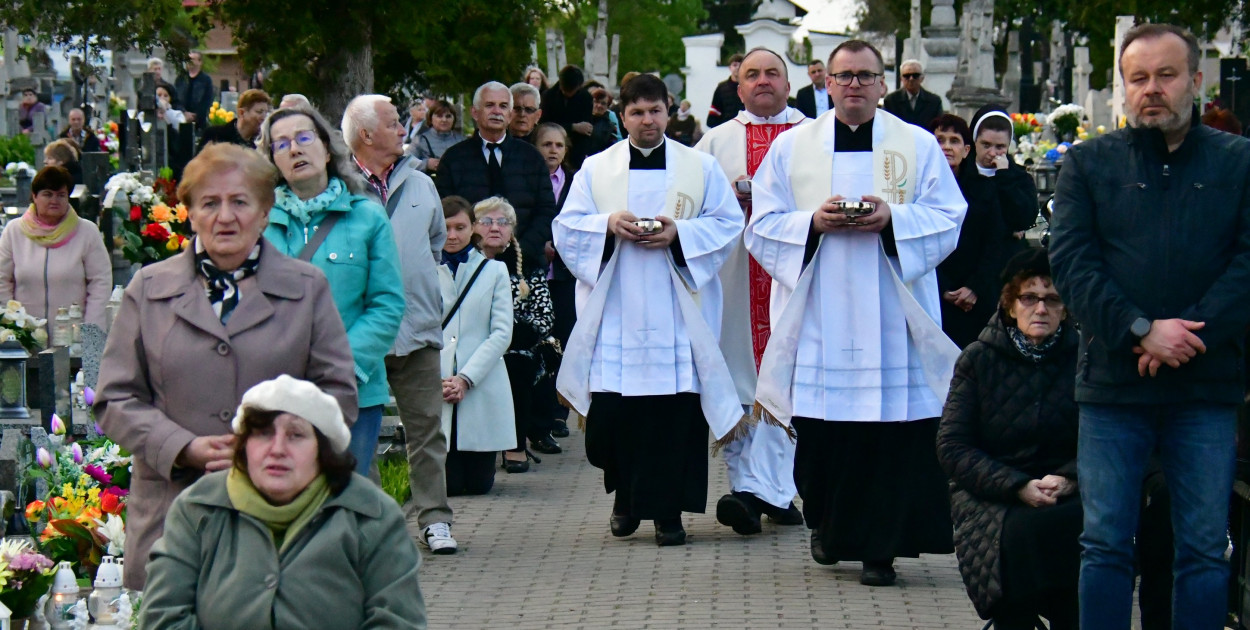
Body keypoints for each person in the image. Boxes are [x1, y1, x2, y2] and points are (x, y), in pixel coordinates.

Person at [1048, 23, 1250, 629]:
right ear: (1123, 87)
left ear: (1195, 80)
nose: (1152, 90)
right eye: (1139, 78)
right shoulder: (1087, 164)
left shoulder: (1239, 162)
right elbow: (1074, 265)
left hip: (1205, 387)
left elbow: (1247, 261)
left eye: (1166, 75)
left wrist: (1190, 337)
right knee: (1106, 545)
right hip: (1114, 387)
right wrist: (1140, 330)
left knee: (1203, 550)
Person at [745, 40, 966, 586]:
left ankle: (879, 550)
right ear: (827, 84)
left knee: (889, 439)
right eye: (843, 77)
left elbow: (948, 217)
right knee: (822, 432)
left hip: (893, 317)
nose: (854, 86)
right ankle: (825, 522)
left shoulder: (916, 145)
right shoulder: (794, 148)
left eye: (865, 77)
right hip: (821, 312)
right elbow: (762, 225)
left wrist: (893, 219)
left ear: (883, 83)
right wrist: (811, 223)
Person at [93, 143, 358, 589]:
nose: (225, 216)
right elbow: (114, 398)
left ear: (264, 212)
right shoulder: (149, 288)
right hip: (172, 513)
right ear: (190, 214)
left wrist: (274, 448)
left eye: (240, 202)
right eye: (210, 203)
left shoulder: (306, 287)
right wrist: (181, 446)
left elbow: (337, 394)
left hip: (279, 515)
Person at [554, 73, 744, 547]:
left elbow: (726, 223)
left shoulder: (699, 167)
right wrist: (608, 224)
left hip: (679, 307)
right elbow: (568, 227)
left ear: (670, 110)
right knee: (615, 417)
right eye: (637, 112)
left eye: (655, 110)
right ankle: (625, 498)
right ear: (623, 116)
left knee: (674, 416)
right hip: (617, 307)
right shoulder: (597, 168)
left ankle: (668, 514)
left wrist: (678, 234)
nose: (647, 120)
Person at [140, 375, 426, 629]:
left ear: (322, 451)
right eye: (263, 434)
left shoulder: (371, 515)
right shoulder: (197, 509)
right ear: (243, 445)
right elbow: (164, 617)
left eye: (296, 435)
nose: (277, 449)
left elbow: (398, 620)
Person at [694, 47, 807, 536]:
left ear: (789, 83)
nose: (763, 81)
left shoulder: (813, 138)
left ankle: (764, 492)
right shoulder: (713, 144)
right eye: (752, 75)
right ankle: (760, 491)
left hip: (794, 279)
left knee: (788, 383)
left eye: (773, 74)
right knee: (740, 385)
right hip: (734, 282)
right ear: (738, 87)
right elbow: (689, 207)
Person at [937, 248, 1080, 629]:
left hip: (1067, 489)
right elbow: (952, 446)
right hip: (992, 491)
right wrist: (1016, 485)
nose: (1041, 309)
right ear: (1010, 304)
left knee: (1075, 531)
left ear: (1066, 308)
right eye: (1029, 298)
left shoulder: (1085, 360)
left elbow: (1104, 441)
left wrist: (1069, 478)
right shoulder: (978, 359)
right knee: (1013, 535)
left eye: (1052, 299)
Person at [259, 105, 404, 477]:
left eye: (304, 138)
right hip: (275, 389)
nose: (294, 149)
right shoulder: (259, 225)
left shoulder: (368, 217)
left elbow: (387, 304)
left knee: (345, 502)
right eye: (281, 144)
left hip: (351, 391)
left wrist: (342, 368)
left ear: (327, 150)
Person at [342, 93, 456, 554]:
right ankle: (372, 530)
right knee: (359, 432)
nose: (403, 129)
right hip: (359, 331)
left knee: (427, 426)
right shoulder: (340, 186)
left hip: (417, 325)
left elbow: (435, 245)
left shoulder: (420, 182)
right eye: (393, 123)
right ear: (367, 135)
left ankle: (435, 519)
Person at [436, 81, 557, 275]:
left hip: (524, 267)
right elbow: (446, 211)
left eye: (503, 106)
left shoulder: (532, 157)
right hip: (466, 266)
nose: (497, 111)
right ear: (475, 113)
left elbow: (546, 210)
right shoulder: (453, 158)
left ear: (510, 115)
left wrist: (520, 251)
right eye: (489, 105)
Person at [475, 196, 559, 471]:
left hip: (517, 345)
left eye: (503, 222)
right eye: (486, 221)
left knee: (518, 364)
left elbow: (544, 316)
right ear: (473, 227)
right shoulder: (462, 264)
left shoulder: (530, 266)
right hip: (471, 343)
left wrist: (508, 333)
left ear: (512, 229)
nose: (495, 228)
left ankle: (515, 444)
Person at [438, 196, 515, 494]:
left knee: (477, 485)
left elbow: (500, 332)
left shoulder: (494, 271)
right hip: (438, 378)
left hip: (480, 379)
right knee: (449, 485)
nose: (453, 235)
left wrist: (466, 378)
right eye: (446, 228)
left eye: (460, 227)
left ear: (473, 228)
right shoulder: (424, 269)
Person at [0, 165, 110, 329]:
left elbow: (101, 284)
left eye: (61, 195)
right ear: (34, 196)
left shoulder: (87, 232)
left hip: (74, 337)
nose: (54, 200)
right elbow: (2, 280)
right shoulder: (14, 231)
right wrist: (13, 326)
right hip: (26, 336)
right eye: (47, 194)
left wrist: (91, 340)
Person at [929, 114, 1003, 349]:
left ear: (967, 149)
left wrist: (974, 287)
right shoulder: (917, 191)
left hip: (976, 298)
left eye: (954, 141)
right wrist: (943, 289)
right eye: (939, 140)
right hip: (934, 294)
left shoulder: (984, 189)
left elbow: (994, 242)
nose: (947, 147)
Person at [536, 123, 575, 439]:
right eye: (546, 144)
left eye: (558, 145)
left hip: (564, 276)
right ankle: (537, 412)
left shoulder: (575, 182)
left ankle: (559, 411)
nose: (552, 150)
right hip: (536, 273)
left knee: (563, 341)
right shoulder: (533, 179)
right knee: (538, 343)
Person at [965, 106, 1039, 263]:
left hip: (1006, 261)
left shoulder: (1020, 178)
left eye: (1000, 147)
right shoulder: (960, 174)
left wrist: (1004, 176)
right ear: (974, 141)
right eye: (986, 145)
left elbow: (1024, 219)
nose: (992, 153)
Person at [540, 66, 596, 169]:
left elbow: (586, 128)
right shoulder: (548, 97)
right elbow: (545, 124)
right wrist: (572, 127)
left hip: (576, 151)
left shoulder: (585, 97)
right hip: (552, 146)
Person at [198, 88, 271, 152]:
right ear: (241, 113)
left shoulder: (264, 142)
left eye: (266, 113)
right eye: (259, 112)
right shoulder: (215, 136)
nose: (264, 117)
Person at [882, 59, 944, 128]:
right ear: (901, 79)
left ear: (922, 78)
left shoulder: (934, 102)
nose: (911, 79)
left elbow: (939, 127)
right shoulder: (891, 100)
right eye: (907, 76)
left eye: (915, 75)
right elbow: (884, 126)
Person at [411, 100, 464, 174]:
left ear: (454, 119)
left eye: (448, 116)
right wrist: (426, 164)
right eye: (439, 116)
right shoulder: (420, 140)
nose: (444, 120)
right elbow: (406, 164)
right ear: (430, 118)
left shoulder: (461, 141)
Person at [175, 51, 215, 132]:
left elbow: (207, 100)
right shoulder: (181, 78)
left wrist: (196, 116)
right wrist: (183, 113)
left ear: (200, 62)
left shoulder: (206, 80)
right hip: (181, 120)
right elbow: (175, 99)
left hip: (200, 123)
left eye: (192, 59)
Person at [707, 53, 745, 128]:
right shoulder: (721, 88)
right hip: (726, 128)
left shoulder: (750, 86)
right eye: (734, 65)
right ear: (729, 68)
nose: (737, 68)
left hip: (745, 129)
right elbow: (714, 113)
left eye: (740, 65)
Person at [586, 84, 621, 156]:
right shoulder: (581, 120)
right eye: (596, 101)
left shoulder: (610, 126)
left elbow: (613, 147)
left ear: (607, 107)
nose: (599, 105)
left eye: (603, 103)